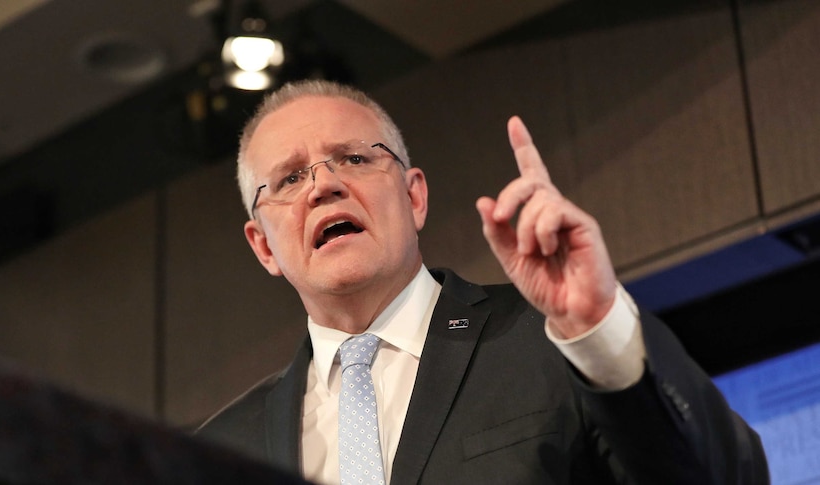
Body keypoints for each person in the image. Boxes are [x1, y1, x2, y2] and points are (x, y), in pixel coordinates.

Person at [197, 79, 768, 484]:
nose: (324, 185)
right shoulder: (218, 450)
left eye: (353, 158)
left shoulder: (551, 341)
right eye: (291, 177)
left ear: (415, 196)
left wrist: (598, 329)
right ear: (264, 245)